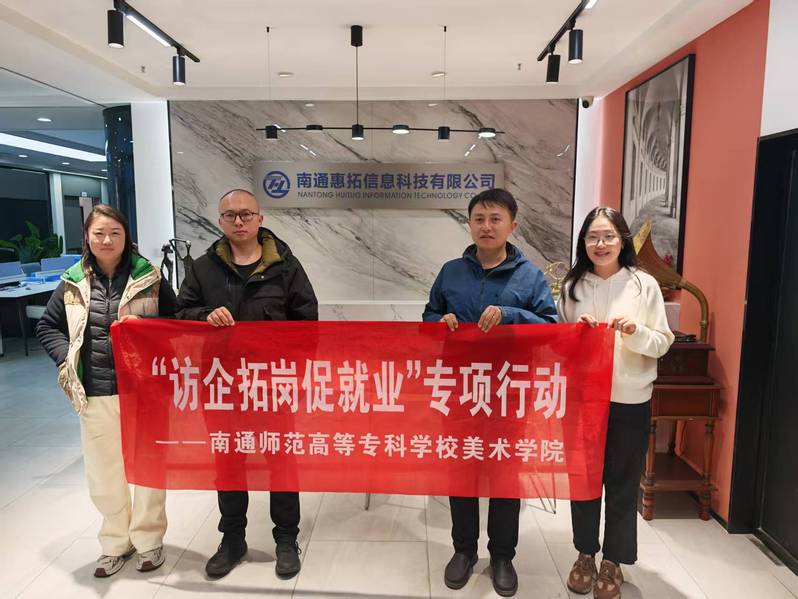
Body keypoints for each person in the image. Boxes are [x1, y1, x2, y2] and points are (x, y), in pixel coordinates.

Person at [176, 188, 318, 580]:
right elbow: (181, 313)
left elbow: (308, 321)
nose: (238, 221)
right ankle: (232, 540)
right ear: (220, 221)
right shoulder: (203, 268)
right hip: (222, 385)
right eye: (230, 215)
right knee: (228, 460)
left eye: (246, 214)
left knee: (280, 460)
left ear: (260, 218)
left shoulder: (286, 266)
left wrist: (294, 374)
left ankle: (286, 539)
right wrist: (205, 315)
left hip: (273, 385)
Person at [423, 188, 558, 597]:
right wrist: (439, 320)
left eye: (495, 218)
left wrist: (511, 315)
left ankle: (502, 556)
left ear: (512, 225)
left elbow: (550, 327)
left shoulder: (530, 276)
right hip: (459, 388)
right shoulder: (450, 272)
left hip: (508, 390)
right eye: (479, 218)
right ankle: (463, 550)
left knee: (504, 474)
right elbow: (428, 316)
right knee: (461, 471)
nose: (486, 226)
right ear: (469, 224)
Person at [36, 205, 176, 578]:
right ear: (87, 237)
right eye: (99, 233)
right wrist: (67, 359)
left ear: (126, 236)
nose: (107, 240)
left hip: (144, 392)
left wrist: (144, 325)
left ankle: (149, 540)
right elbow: (47, 326)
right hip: (95, 392)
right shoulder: (72, 282)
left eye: (115, 232)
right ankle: (115, 543)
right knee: (104, 472)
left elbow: (177, 322)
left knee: (148, 469)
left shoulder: (150, 278)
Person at [557, 207, 674, 599]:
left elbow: (662, 342)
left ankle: (614, 560)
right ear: (583, 243)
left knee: (622, 485)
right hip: (582, 402)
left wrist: (636, 331)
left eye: (608, 236)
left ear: (622, 240)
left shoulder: (644, 285)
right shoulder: (572, 286)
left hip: (629, 401)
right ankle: (584, 554)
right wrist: (576, 334)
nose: (600, 244)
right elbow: (557, 343)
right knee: (584, 481)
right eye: (592, 237)